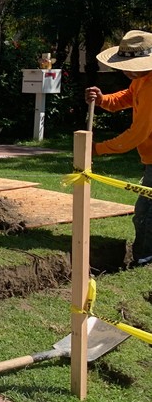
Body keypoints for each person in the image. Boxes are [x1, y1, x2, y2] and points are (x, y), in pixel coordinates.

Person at [84, 29, 152, 267]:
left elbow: (136, 134)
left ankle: (144, 259)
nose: (123, 70)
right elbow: (126, 97)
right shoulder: (141, 79)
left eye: (128, 64)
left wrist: (97, 149)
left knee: (146, 211)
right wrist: (103, 100)